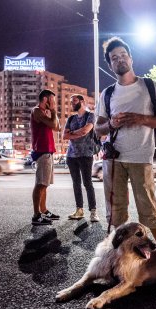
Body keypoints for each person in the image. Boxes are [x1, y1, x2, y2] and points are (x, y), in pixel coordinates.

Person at [94, 37, 156, 248]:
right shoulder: (107, 94)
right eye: (114, 58)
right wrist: (111, 123)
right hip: (114, 160)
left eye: (122, 55)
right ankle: (120, 256)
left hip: (141, 157)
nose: (119, 60)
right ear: (110, 65)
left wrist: (141, 119)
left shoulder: (149, 86)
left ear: (131, 58)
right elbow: (97, 128)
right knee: (116, 210)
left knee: (148, 208)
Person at [63, 94, 100, 222]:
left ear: (82, 101)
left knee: (88, 183)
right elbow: (64, 136)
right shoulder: (71, 118)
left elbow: (86, 131)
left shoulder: (90, 116)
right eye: (71, 102)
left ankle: (93, 212)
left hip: (86, 154)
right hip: (71, 155)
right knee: (76, 184)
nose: (72, 103)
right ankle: (79, 210)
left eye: (75, 101)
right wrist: (76, 133)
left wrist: (72, 133)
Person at [30, 89, 61, 225]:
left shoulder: (45, 113)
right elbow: (53, 124)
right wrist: (53, 112)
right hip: (42, 151)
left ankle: (44, 210)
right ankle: (37, 215)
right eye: (52, 100)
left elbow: (57, 127)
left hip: (48, 151)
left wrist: (52, 113)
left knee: (45, 185)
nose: (54, 102)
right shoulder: (36, 111)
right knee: (40, 184)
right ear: (45, 100)